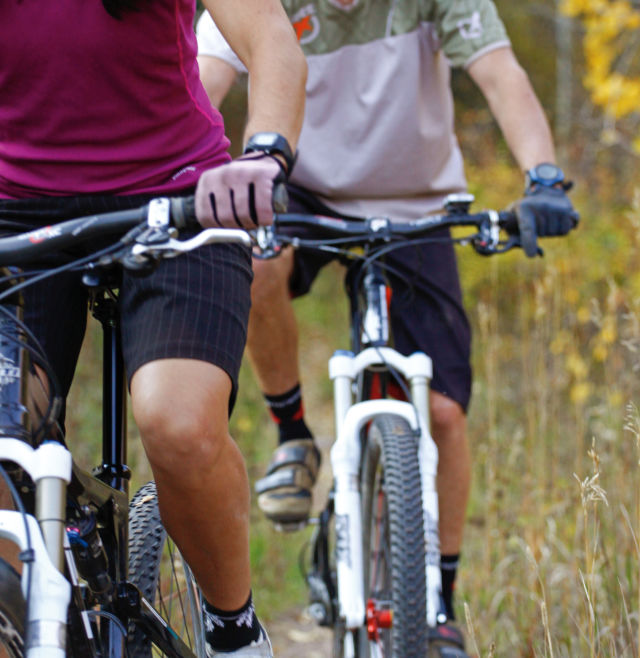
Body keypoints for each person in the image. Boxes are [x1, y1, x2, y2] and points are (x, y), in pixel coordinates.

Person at [196, 2, 578, 655]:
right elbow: (201, 82)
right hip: (304, 195)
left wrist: (542, 176)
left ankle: (440, 603)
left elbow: (500, 73)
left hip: (417, 204)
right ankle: (293, 437)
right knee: (256, 264)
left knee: (446, 414)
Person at [0, 1, 306, 656]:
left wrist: (265, 155)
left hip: (178, 198)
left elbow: (271, 39)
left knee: (179, 424)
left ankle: (234, 632)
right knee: (4, 447)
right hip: (15, 212)